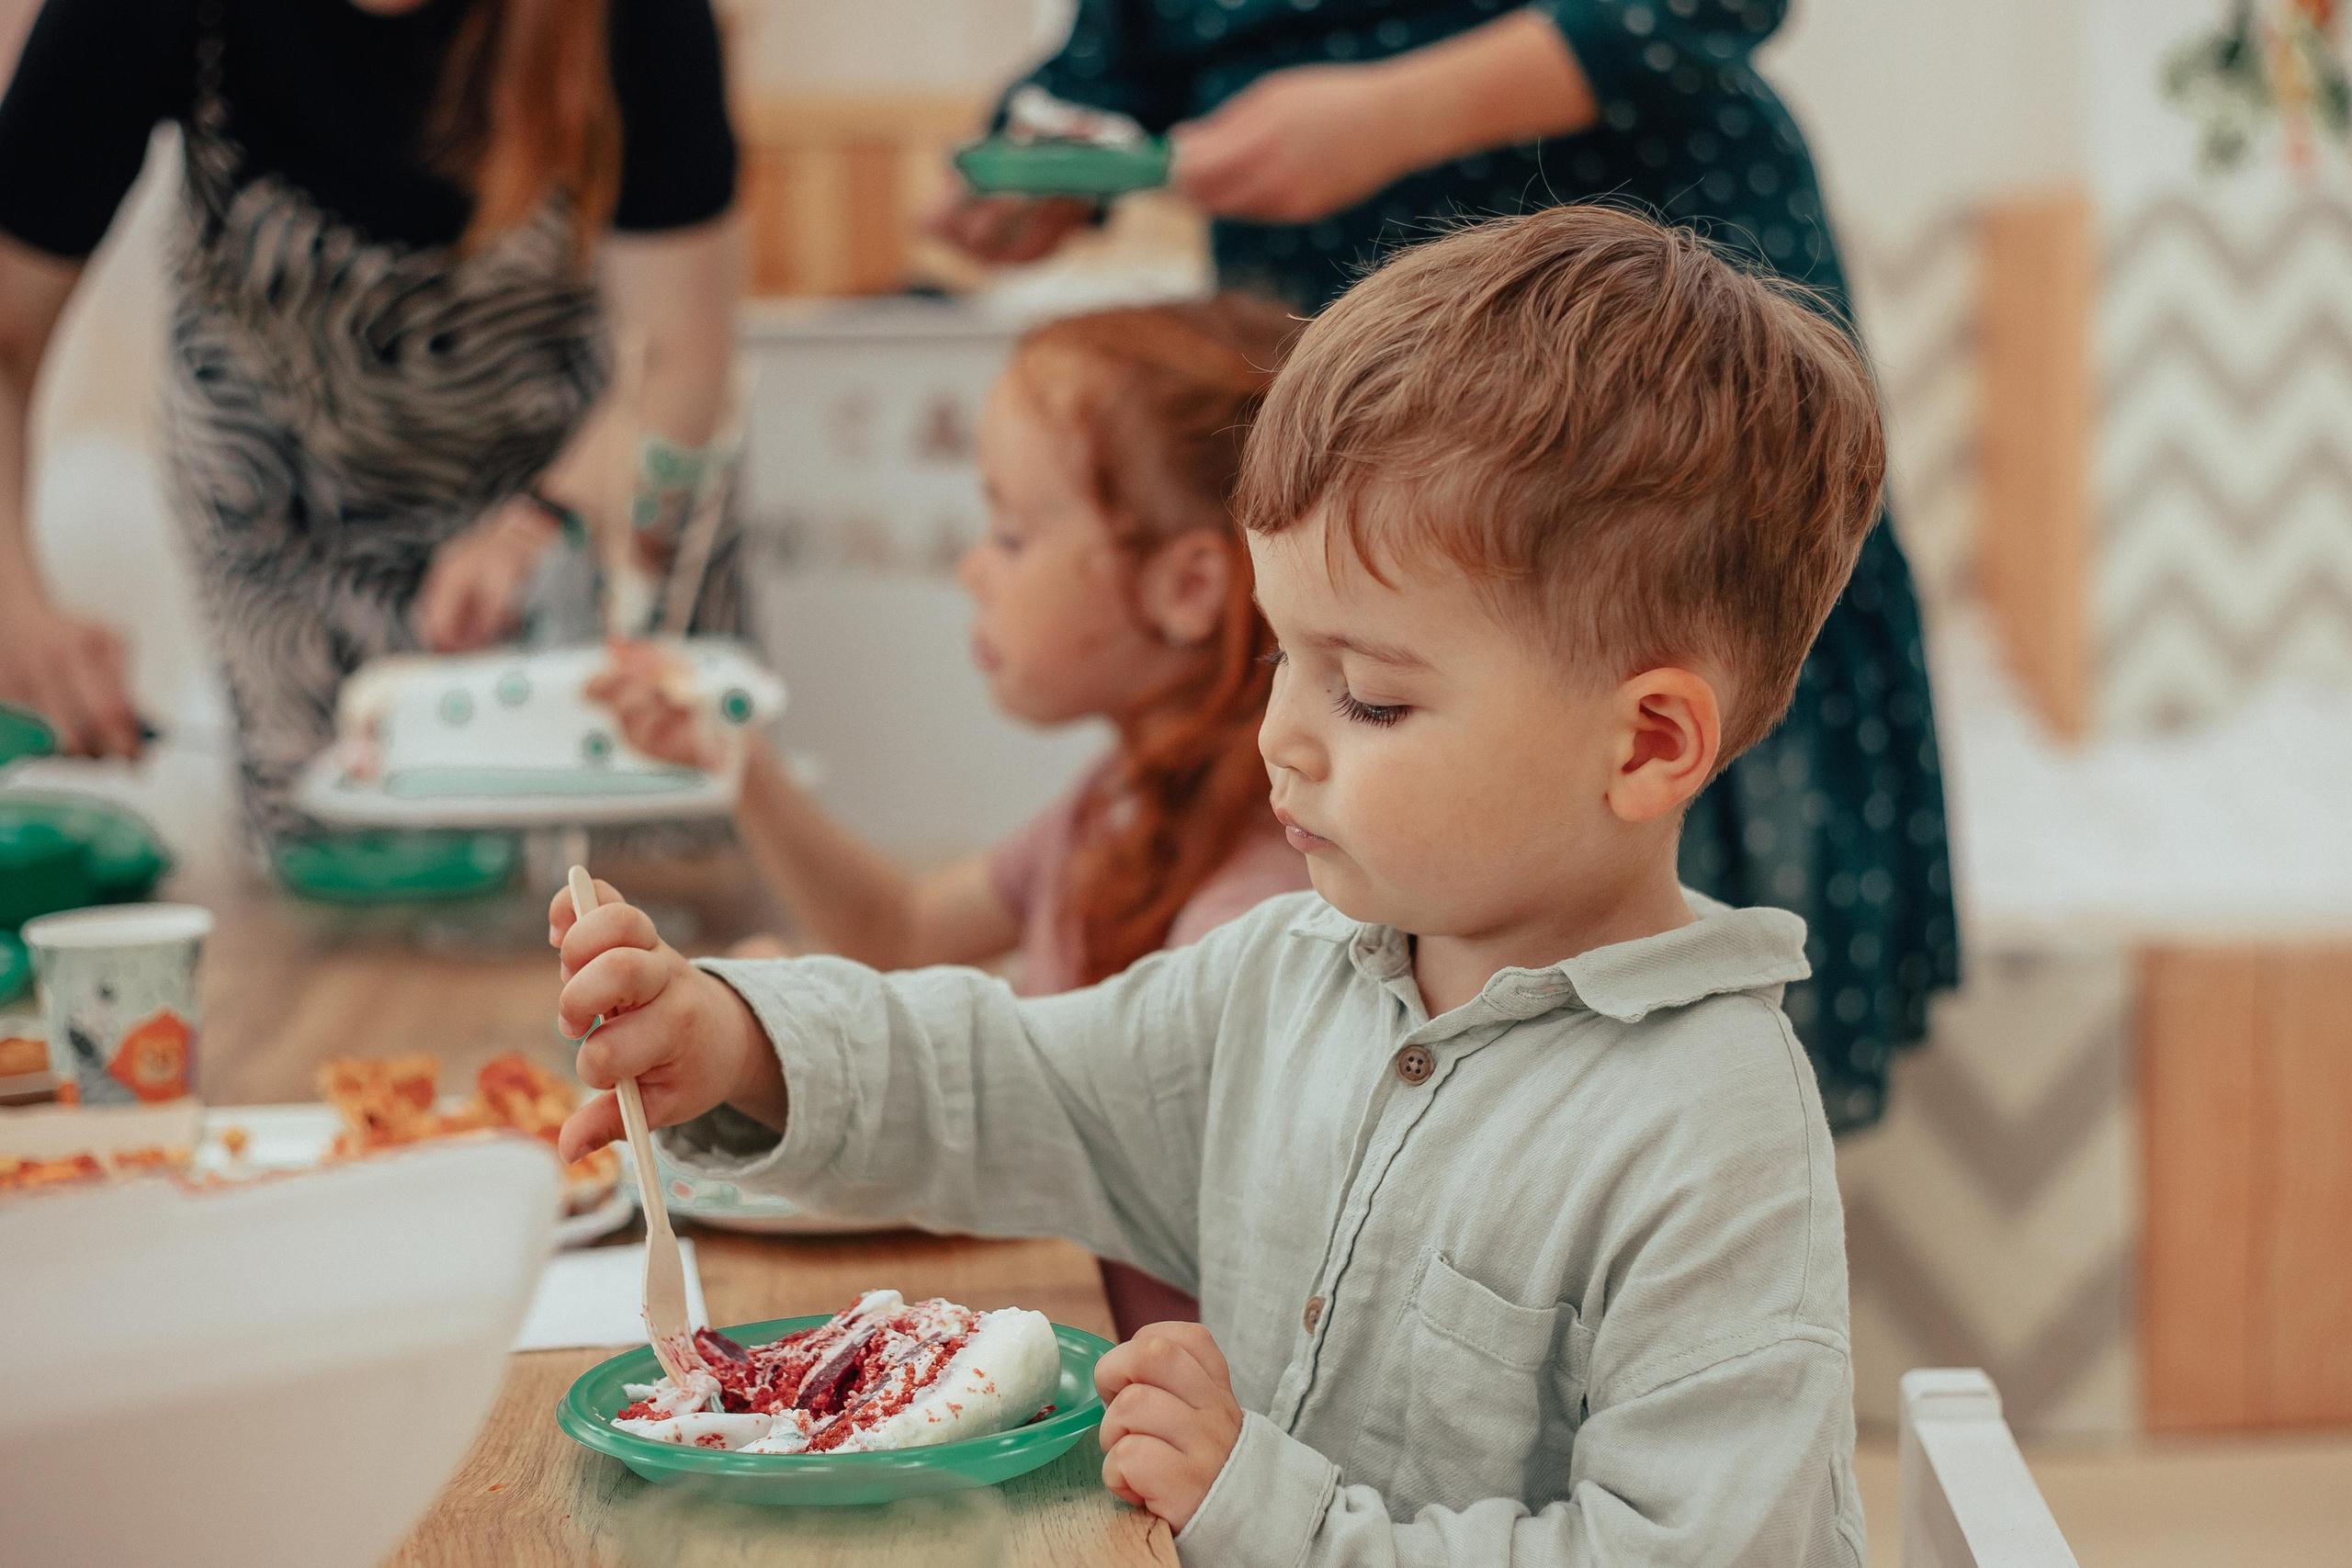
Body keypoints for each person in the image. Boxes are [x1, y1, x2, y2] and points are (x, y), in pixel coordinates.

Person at [547, 207, 1873, 1564]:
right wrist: (740, 1038)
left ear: (1647, 741)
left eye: (1366, 696)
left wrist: (1266, 1506)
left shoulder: (1711, 1136)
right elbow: (1010, 1074)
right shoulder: (1289, 970)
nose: (1279, 737)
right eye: (1280, 660)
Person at [933, 0, 1957, 1133]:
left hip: (1638, 298)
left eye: (1360, 700)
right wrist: (1050, 153)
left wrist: (1393, 114)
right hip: (1342, 298)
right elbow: (1120, 47)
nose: (1275, 733)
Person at [588, 296, 1312, 1337]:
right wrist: (737, 766)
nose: (973, 568)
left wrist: (776, 1030)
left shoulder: (1253, 906)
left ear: (1187, 584)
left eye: (1012, 534)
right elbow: (907, 931)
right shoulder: (1110, 804)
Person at [0, 0, 742, 843]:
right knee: (339, 890)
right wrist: (14, 606)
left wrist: (538, 530)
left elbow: (682, 361)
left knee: (636, 899)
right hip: (291, 526)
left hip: (587, 511)